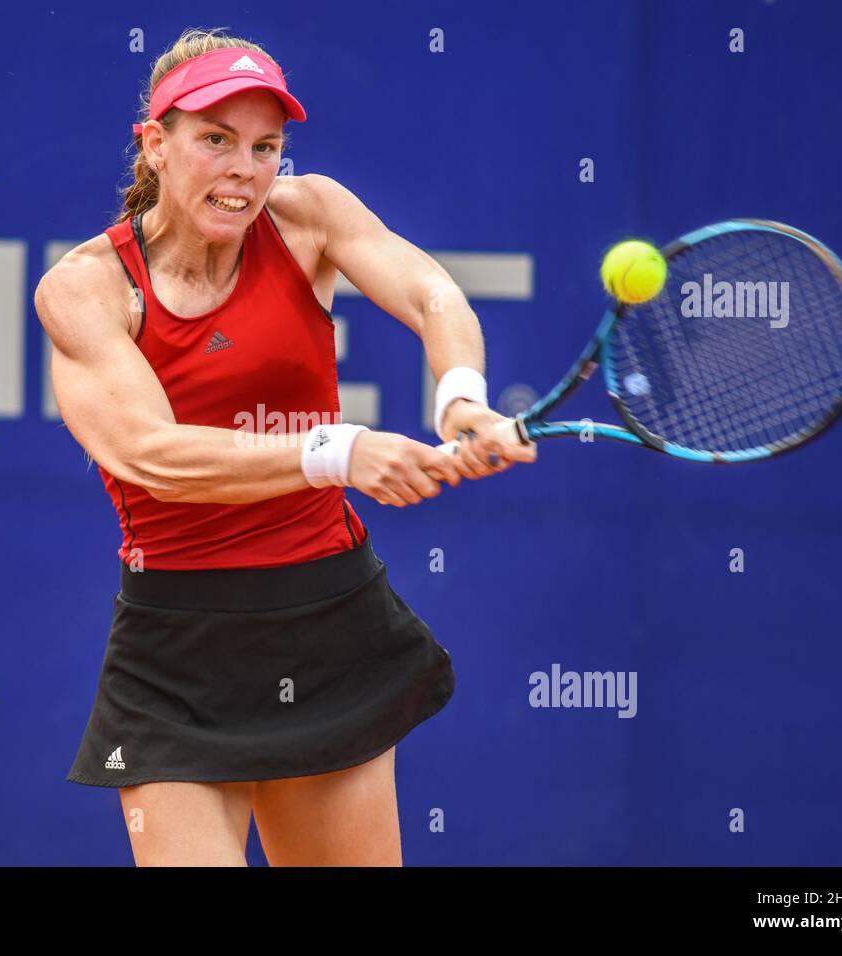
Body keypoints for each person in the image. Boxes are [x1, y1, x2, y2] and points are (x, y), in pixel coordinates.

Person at [35, 27, 536, 866]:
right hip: (175, 652)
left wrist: (461, 397)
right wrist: (335, 452)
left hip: (326, 621)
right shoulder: (87, 288)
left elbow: (431, 292)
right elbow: (151, 454)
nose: (244, 170)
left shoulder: (309, 214)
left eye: (266, 147)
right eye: (216, 141)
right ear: (155, 146)